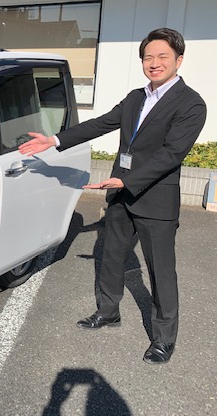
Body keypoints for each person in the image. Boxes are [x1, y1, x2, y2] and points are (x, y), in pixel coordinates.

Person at [19, 28, 206, 364]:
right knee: (112, 256)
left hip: (155, 200)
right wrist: (56, 140)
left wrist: (126, 179)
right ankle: (108, 311)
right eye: (148, 57)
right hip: (121, 194)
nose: (154, 63)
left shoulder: (191, 103)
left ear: (179, 60)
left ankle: (164, 338)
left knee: (161, 270)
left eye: (162, 56)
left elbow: (171, 154)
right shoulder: (136, 97)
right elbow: (102, 123)